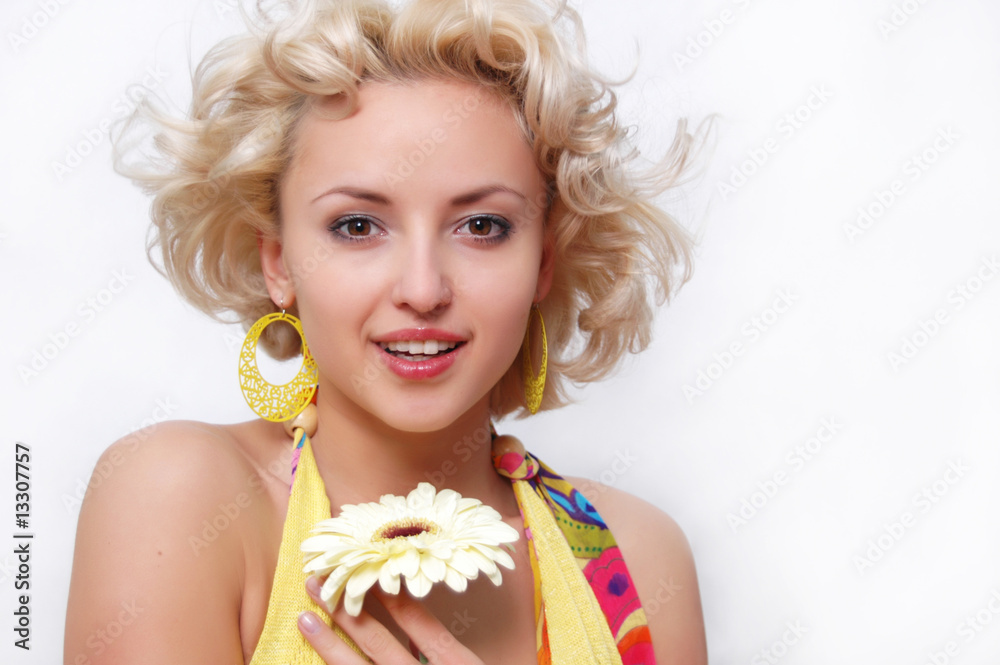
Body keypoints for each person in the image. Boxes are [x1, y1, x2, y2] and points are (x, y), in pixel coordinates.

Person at [64, 0, 709, 663]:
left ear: (543, 261)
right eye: (357, 226)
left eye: (482, 226)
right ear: (278, 261)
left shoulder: (638, 558)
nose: (423, 290)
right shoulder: (177, 497)